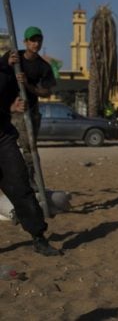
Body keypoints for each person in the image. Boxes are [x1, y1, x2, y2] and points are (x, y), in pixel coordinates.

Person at [0, 61, 61, 256]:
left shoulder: (5, 71)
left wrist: (14, 103)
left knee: (20, 186)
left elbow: (13, 98)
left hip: (3, 137)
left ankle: (38, 237)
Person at [1, 26, 56, 187]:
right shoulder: (14, 56)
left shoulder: (43, 67)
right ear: (25, 42)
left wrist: (27, 86)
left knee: (29, 148)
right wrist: (7, 62)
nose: (36, 44)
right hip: (8, 110)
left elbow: (46, 92)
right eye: (33, 40)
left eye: (39, 40)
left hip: (29, 111)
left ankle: (31, 181)